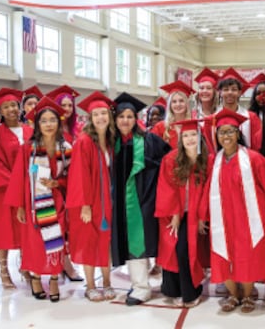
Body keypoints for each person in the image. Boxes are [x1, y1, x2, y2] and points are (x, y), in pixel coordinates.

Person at [201, 108, 265, 314]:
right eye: (222, 132)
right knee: (223, 253)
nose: (226, 136)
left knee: (247, 253)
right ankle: (233, 294)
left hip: (248, 217)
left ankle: (248, 295)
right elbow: (207, 189)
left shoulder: (254, 159)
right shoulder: (213, 161)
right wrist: (202, 215)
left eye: (230, 131)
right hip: (222, 217)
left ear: (238, 134)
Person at [6, 97, 71, 302]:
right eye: (44, 121)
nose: (48, 124)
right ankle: (35, 276)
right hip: (33, 202)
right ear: (37, 124)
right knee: (34, 242)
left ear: (58, 122)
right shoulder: (29, 148)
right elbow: (19, 177)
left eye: (52, 120)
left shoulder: (66, 148)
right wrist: (19, 206)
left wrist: (58, 183)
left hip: (57, 201)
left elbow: (72, 176)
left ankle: (54, 278)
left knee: (56, 240)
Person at [111, 92, 170, 305]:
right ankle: (140, 286)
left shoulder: (149, 140)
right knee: (132, 242)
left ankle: (150, 287)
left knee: (144, 241)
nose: (125, 121)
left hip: (147, 199)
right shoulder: (112, 143)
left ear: (136, 119)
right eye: (121, 117)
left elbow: (168, 161)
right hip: (122, 202)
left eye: (130, 116)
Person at [155, 119, 211, 308]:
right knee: (171, 248)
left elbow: (207, 191)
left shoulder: (206, 160)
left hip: (194, 214)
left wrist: (202, 216)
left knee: (184, 250)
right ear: (180, 139)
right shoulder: (171, 159)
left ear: (200, 137)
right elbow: (167, 188)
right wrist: (175, 215)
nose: (189, 139)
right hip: (174, 213)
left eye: (193, 134)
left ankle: (191, 292)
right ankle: (173, 290)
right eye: (185, 135)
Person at [66, 91, 116, 302]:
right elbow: (79, 176)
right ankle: (91, 285)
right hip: (89, 202)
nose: (100, 118)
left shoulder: (111, 141)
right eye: (96, 114)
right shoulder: (84, 142)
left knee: (105, 242)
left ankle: (107, 282)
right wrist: (85, 205)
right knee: (89, 242)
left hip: (107, 201)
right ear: (90, 118)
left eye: (103, 113)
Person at [0, 88, 30, 288]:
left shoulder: (30, 131)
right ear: (0, 111)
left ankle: (25, 266)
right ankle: (3, 270)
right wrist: (16, 183)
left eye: (14, 105)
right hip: (3, 191)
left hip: (28, 189)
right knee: (3, 230)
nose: (11, 109)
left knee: (25, 230)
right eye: (6, 107)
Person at [203, 67, 263, 151]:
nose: (230, 92)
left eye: (234, 89)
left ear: (240, 92)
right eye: (226, 89)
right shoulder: (210, 120)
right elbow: (210, 148)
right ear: (220, 92)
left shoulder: (251, 117)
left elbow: (257, 146)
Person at [151, 81, 194, 148]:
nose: (178, 104)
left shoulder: (194, 125)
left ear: (187, 104)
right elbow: (152, 149)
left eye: (181, 101)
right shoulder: (160, 127)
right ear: (170, 105)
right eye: (174, 101)